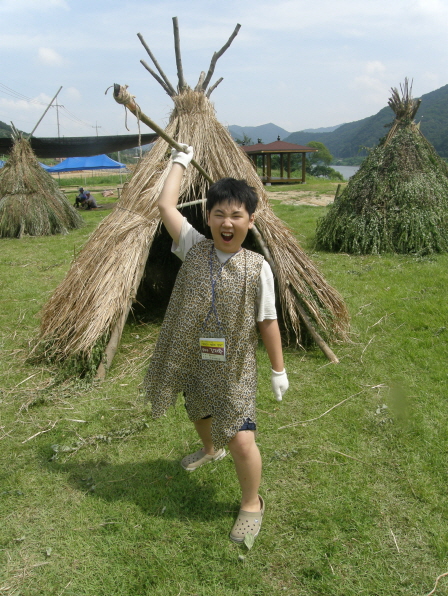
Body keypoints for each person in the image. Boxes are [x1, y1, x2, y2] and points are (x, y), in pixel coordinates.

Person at [144, 144, 289, 543]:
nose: (227, 222)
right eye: (219, 214)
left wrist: (278, 370)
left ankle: (251, 503)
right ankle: (210, 450)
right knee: (198, 410)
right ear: (207, 217)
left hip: (236, 367)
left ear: (250, 220)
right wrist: (179, 162)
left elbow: (268, 321)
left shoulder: (257, 269)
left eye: (236, 215)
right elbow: (165, 205)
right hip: (196, 356)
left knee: (243, 439)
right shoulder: (193, 248)